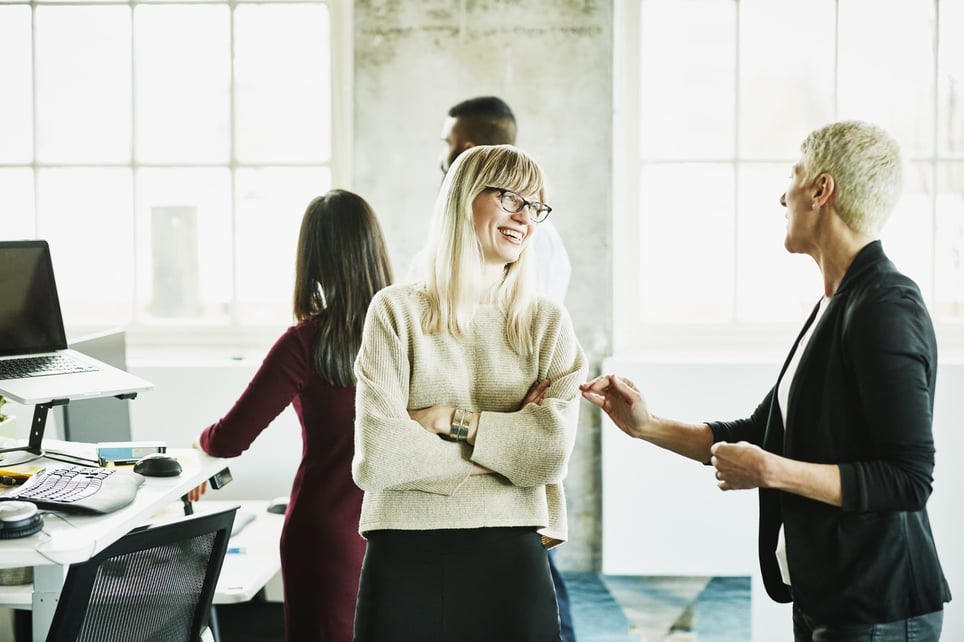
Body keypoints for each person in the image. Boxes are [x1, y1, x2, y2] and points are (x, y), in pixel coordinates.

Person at [580, 120, 951, 641]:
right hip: (827, 598)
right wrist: (647, 426)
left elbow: (907, 479)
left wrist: (773, 472)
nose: (783, 195)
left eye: (793, 176)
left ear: (821, 190)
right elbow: (762, 433)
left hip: (877, 609)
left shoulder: (886, 304)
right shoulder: (834, 304)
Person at [352, 144, 588, 641]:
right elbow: (380, 458)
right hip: (405, 550)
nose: (524, 217)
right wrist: (506, 448)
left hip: (511, 554)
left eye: (535, 206)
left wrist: (449, 421)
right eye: (510, 198)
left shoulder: (547, 322)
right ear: (464, 199)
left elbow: (549, 455)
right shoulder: (395, 311)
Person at [192, 189, 393, 642]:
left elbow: (229, 439)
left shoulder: (304, 343)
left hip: (325, 538)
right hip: (397, 535)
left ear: (313, 262)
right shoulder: (408, 337)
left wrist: (199, 444)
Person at [440, 95, 578, 641]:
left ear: (468, 150)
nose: (445, 157)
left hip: (508, 463)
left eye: (450, 147)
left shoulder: (528, 242)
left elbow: (526, 369)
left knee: (534, 571)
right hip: (476, 465)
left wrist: (453, 418)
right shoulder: (428, 278)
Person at [440, 96, 572, 304]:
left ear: (468, 150)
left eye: (448, 143)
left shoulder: (532, 239)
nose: (525, 218)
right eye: (510, 198)